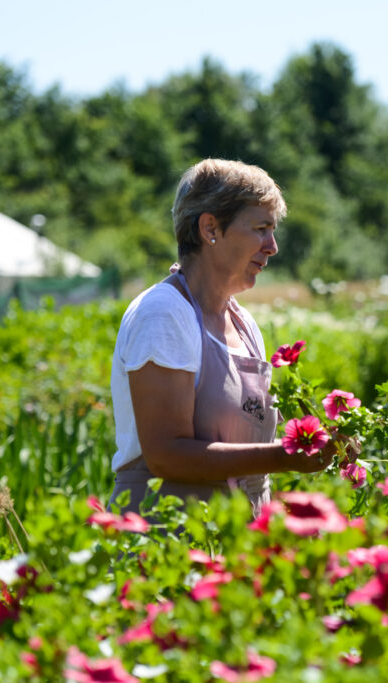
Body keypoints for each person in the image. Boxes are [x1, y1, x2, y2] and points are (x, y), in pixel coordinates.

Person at [109, 158, 335, 519]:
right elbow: (166, 454)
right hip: (168, 540)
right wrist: (283, 457)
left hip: (232, 541)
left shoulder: (243, 324)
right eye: (261, 228)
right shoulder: (164, 314)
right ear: (210, 228)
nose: (272, 246)